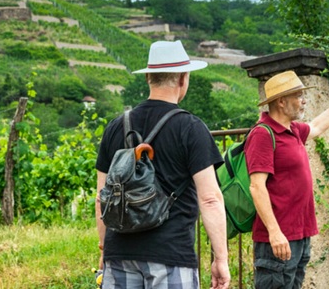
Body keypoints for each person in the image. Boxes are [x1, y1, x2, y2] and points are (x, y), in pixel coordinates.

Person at [95, 40, 230, 289]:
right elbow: (210, 199)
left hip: (119, 254)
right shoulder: (190, 128)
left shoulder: (115, 127)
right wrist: (220, 258)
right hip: (171, 255)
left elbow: (102, 198)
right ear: (182, 78)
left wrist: (105, 250)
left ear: (149, 78)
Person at [245, 70, 329, 289]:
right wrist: (275, 232)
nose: (303, 101)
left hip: (299, 235)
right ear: (281, 101)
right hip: (278, 240)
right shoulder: (262, 134)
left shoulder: (293, 130)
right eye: (298, 96)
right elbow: (257, 186)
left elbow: (317, 126)